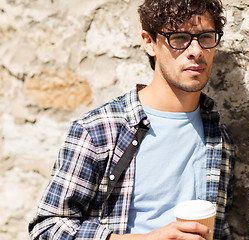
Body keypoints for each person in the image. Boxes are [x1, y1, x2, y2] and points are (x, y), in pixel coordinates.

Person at [28, 0, 235, 239]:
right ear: (149, 43)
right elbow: (47, 228)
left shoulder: (219, 139)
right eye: (179, 38)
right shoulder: (98, 130)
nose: (196, 50)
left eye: (206, 37)